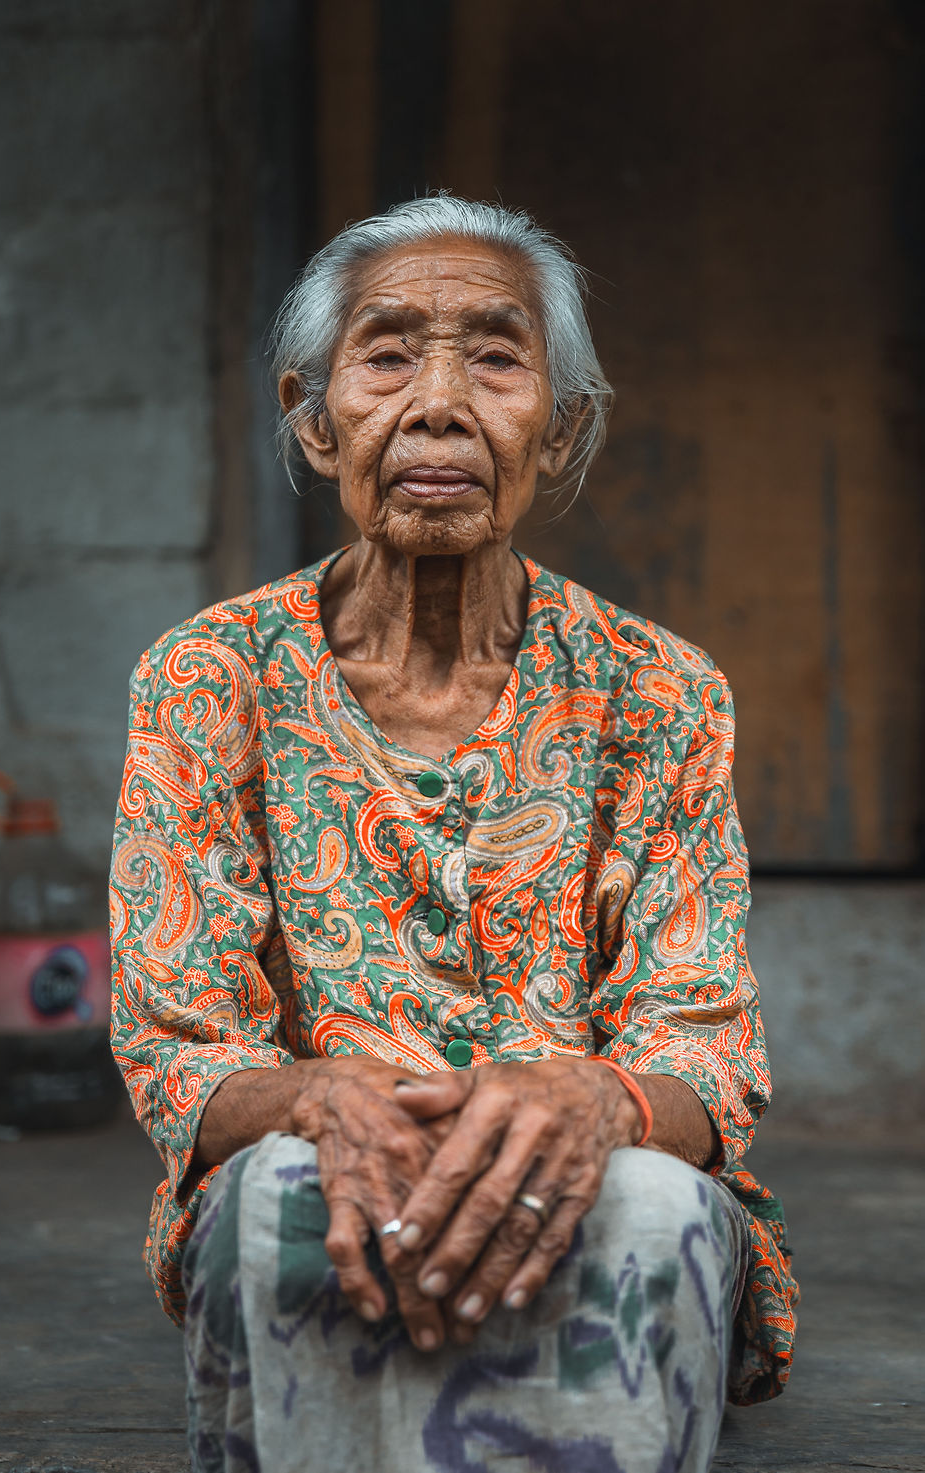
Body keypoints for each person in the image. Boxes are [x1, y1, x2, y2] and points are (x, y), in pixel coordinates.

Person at [110, 196, 797, 1473]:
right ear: (314, 421)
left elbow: (702, 1046)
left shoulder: (657, 686)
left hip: (588, 1154)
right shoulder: (208, 677)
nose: (436, 404)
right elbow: (177, 1048)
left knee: (646, 1207)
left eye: (493, 355)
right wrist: (317, 1095)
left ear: (564, 425)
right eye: (384, 356)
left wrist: (593, 1097)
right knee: (280, 1205)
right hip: (317, 1151)